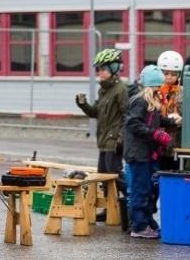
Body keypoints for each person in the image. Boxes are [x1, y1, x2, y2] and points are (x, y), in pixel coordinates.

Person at [124, 65, 177, 239]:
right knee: (141, 190)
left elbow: (154, 119)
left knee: (149, 189)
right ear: (151, 85)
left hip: (147, 153)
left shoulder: (151, 100)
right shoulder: (140, 100)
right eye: (157, 86)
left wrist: (169, 121)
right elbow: (133, 124)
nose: (160, 89)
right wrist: (154, 133)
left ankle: (147, 221)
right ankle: (138, 226)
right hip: (139, 155)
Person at [76, 49, 128, 194]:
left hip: (114, 141)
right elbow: (95, 113)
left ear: (114, 68)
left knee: (114, 174)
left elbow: (127, 116)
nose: (100, 72)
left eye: (103, 69)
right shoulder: (103, 90)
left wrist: (121, 138)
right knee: (103, 175)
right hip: (104, 141)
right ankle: (109, 210)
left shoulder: (121, 89)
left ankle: (130, 201)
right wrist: (83, 104)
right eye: (98, 69)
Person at [155, 50, 184, 171]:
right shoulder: (155, 91)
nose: (169, 77)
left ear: (179, 75)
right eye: (165, 73)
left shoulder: (182, 92)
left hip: (176, 143)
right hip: (157, 143)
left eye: (173, 74)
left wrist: (180, 118)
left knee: (174, 172)